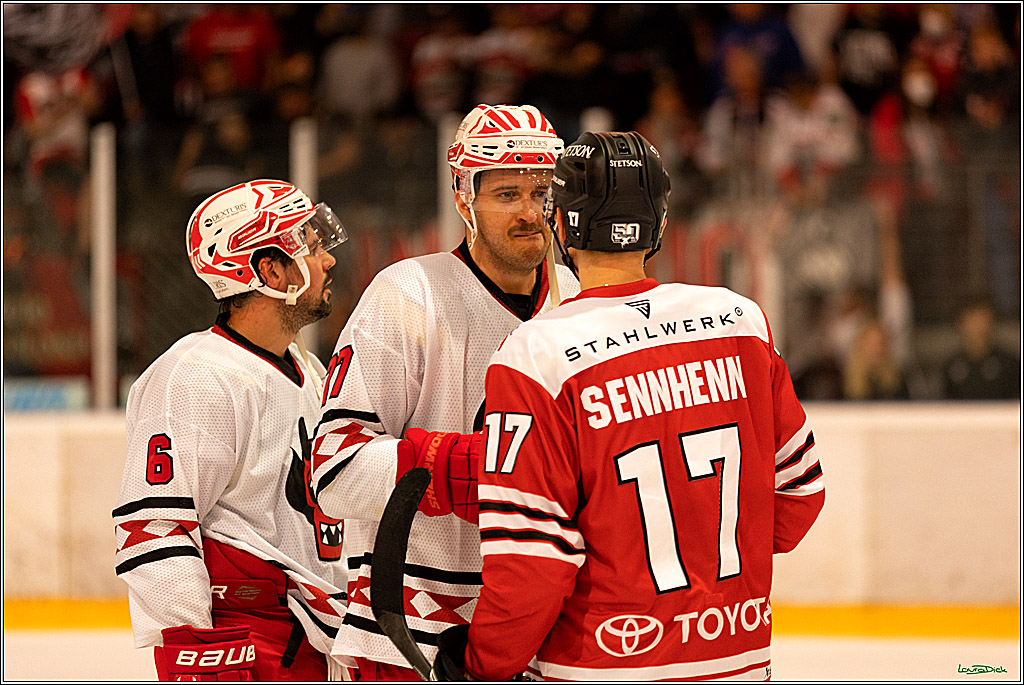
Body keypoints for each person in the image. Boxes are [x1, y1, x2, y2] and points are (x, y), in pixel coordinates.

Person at [433, 131, 826, 681]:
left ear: (562, 224)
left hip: (599, 666)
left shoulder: (537, 355)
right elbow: (800, 494)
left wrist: (482, 666)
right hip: (736, 660)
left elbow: (533, 564)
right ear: (661, 225)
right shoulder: (740, 323)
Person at [308, 104, 579, 680]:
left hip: (544, 633)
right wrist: (461, 467)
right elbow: (333, 472)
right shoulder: (408, 294)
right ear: (465, 199)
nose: (531, 212)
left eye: (543, 192)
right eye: (507, 193)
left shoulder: (577, 300)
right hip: (413, 640)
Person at [113, 180, 351, 681]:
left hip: (312, 639)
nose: (327, 259)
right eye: (308, 245)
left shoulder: (308, 370)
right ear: (268, 270)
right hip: (247, 646)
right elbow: (155, 526)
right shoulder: (195, 375)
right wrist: (196, 651)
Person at [943, 298, 1020, 400]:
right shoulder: (951, 365)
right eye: (972, 319)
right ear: (961, 322)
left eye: (983, 319)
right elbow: (944, 405)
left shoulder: (1010, 363)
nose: (979, 326)